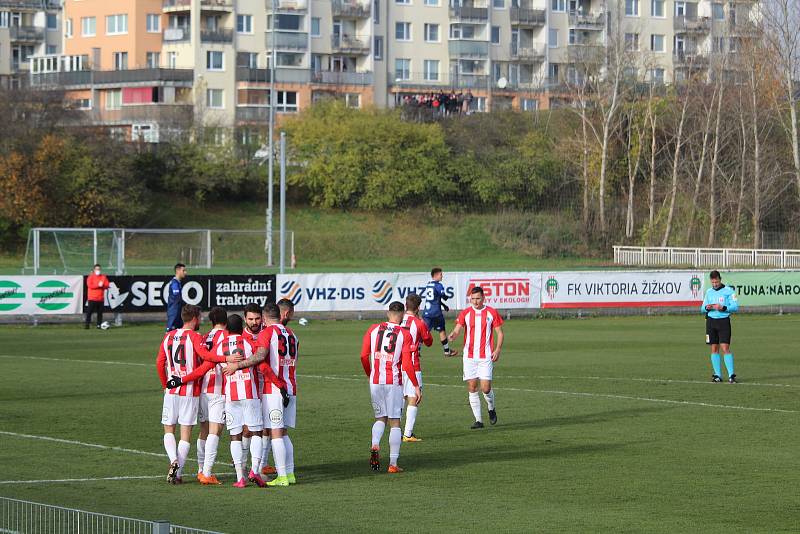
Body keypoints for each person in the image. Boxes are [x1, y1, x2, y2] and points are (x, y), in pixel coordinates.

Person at [156, 304, 241, 484]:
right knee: (212, 431)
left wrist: (166, 384)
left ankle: (181, 467)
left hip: (193, 389)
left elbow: (159, 362)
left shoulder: (178, 336)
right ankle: (206, 472)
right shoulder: (213, 337)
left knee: (183, 430)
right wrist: (227, 359)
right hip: (209, 389)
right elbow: (208, 359)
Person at [360, 301, 420, 473]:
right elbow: (408, 364)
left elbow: (363, 356)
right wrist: (416, 386)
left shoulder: (373, 329)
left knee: (380, 418)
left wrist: (369, 374)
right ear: (401, 315)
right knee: (395, 422)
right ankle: (393, 464)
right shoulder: (404, 334)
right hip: (393, 382)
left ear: (388, 313)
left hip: (376, 381)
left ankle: (375, 444)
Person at [218, 313, 266, 488]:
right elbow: (258, 360)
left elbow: (215, 362)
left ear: (226, 329)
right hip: (249, 392)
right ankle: (254, 470)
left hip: (231, 395)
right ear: (242, 326)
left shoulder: (219, 346)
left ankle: (240, 478)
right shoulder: (248, 343)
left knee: (235, 436)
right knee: (256, 432)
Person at [447, 286, 504, 429]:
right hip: (469, 357)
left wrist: (497, 349)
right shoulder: (466, 313)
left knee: (485, 388)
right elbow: (458, 328)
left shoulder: (491, 312)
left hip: (486, 356)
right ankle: (478, 420)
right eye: (473, 299)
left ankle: (491, 408)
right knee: (472, 386)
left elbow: (500, 333)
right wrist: (454, 334)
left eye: (478, 298)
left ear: (483, 298)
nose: (475, 301)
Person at [256, 302, 298, 487]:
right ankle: (289, 474)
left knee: (275, 433)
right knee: (284, 432)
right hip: (291, 386)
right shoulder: (292, 335)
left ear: (265, 318)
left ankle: (281, 476)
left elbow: (262, 361)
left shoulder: (266, 333)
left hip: (274, 389)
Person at [196, 306, 228, 485]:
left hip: (203, 388)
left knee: (204, 430)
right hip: (218, 389)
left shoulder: (205, 336)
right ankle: (207, 473)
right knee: (215, 431)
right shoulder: (226, 337)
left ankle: (201, 470)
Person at [400, 293, 433, 442]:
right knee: (413, 398)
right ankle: (407, 434)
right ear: (419, 307)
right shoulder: (419, 323)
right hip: (412, 364)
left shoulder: (397, 319)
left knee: (400, 397)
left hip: (397, 364)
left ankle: (395, 430)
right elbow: (429, 342)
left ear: (406, 305)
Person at [701, 270, 739, 383]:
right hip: (711, 322)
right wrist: (707, 308)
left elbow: (735, 307)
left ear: (720, 279)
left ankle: (731, 375)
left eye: (716, 282)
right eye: (712, 282)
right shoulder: (708, 292)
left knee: (725, 348)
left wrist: (723, 308)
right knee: (714, 348)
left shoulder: (729, 291)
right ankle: (717, 375)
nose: (714, 284)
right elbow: (702, 308)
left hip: (723, 322)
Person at [421, 267, 458, 357]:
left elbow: (435, 299)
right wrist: (446, 297)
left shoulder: (429, 285)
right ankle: (446, 351)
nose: (442, 276)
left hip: (427, 313)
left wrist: (443, 305)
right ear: (436, 275)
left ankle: (417, 350)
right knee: (442, 331)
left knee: (423, 332)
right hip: (436, 314)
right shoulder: (438, 285)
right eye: (441, 274)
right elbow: (442, 295)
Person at [85, 264, 109, 330]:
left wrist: (103, 286)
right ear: (94, 270)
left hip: (100, 298)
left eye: (99, 269)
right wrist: (98, 285)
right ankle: (87, 325)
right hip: (92, 298)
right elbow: (90, 285)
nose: (98, 270)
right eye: (97, 269)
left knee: (100, 313)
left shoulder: (103, 277)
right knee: (89, 312)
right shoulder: (91, 277)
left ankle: (99, 325)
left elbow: (107, 285)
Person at [166, 263, 187, 332]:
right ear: (178, 270)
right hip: (174, 313)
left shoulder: (177, 283)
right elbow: (177, 297)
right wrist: (187, 305)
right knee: (170, 334)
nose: (185, 272)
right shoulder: (174, 283)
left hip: (178, 312)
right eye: (183, 270)